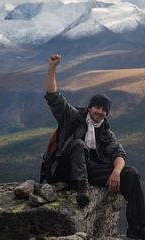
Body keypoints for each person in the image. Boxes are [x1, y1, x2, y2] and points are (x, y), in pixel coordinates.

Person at [44, 54, 145, 239]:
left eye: (104, 110)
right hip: (65, 169)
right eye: (97, 107)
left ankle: (138, 228)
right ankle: (82, 189)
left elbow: (118, 152)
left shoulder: (105, 131)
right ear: (90, 107)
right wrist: (52, 68)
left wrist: (116, 172)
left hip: (90, 170)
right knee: (78, 144)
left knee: (130, 173)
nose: (100, 112)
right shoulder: (73, 117)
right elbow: (53, 97)